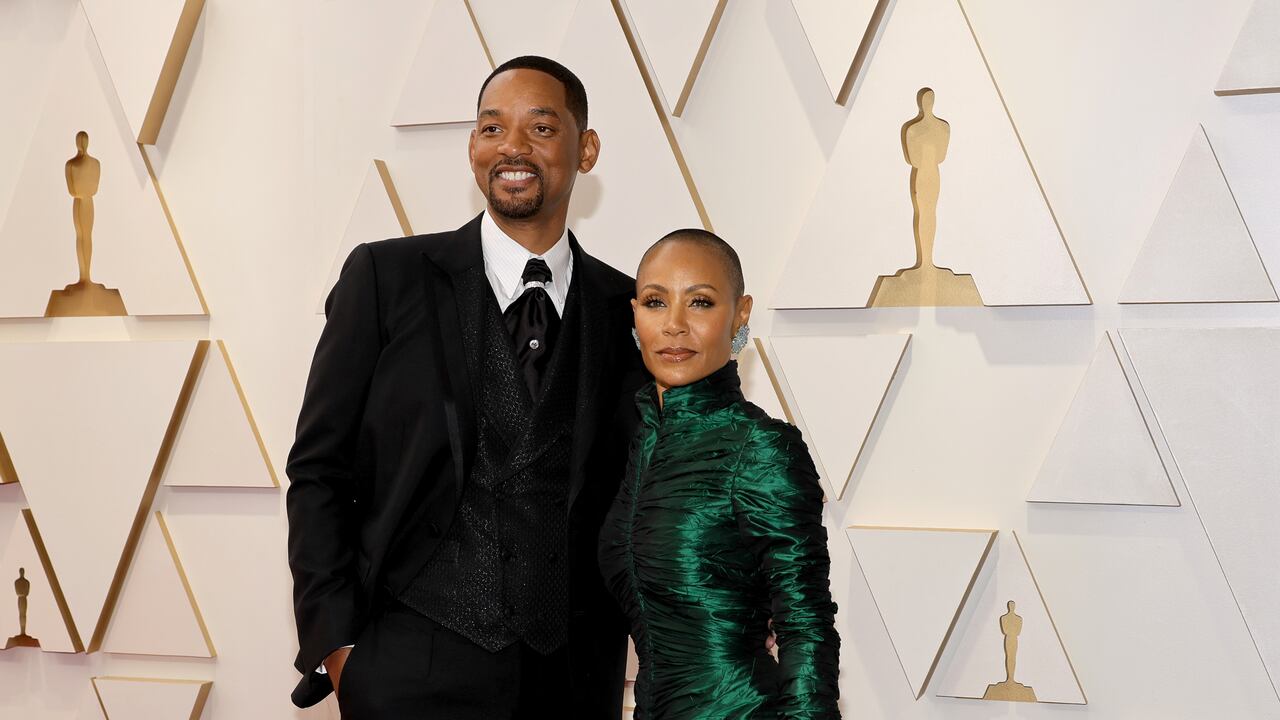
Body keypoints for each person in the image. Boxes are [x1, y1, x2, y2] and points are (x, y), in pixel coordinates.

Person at [286, 56, 647, 718]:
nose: (513, 147)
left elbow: (656, 490)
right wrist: (338, 645)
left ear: (586, 149)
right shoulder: (385, 278)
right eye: (492, 128)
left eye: (541, 128)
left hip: (574, 679)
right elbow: (318, 468)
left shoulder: (627, 309)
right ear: (473, 147)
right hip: (409, 668)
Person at [599, 229, 841, 718]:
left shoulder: (761, 447)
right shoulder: (638, 444)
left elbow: (806, 625)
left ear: (740, 314)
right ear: (635, 315)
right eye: (656, 302)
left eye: (701, 302)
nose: (674, 325)